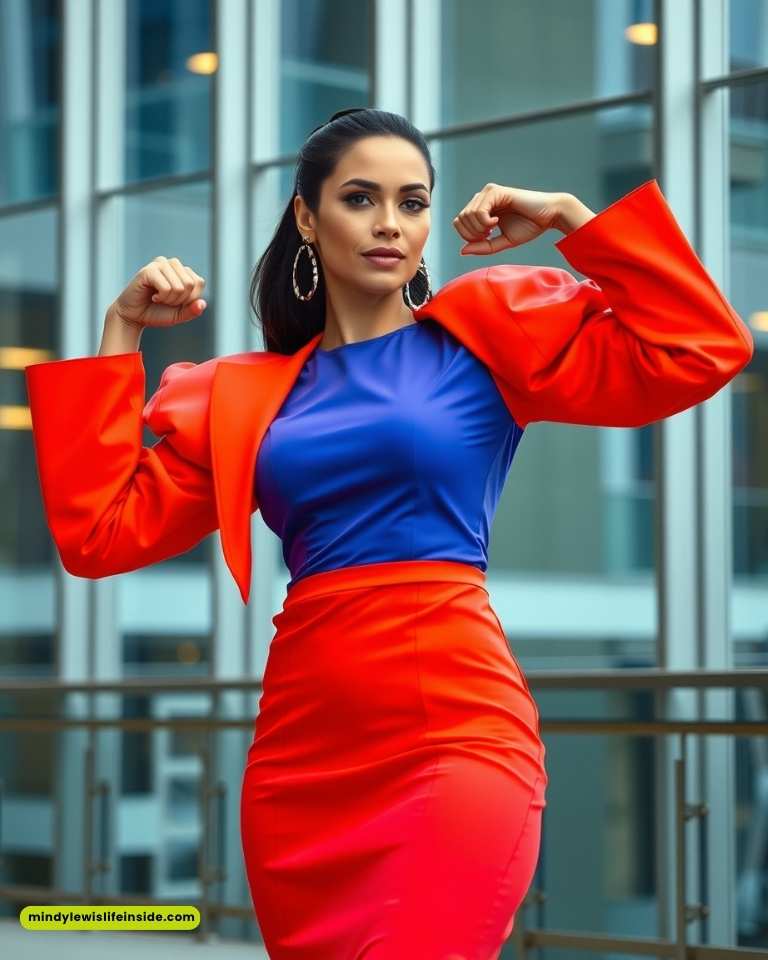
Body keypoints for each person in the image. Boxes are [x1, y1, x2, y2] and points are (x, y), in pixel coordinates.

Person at [25, 107, 753, 959]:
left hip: (457, 735)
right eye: (360, 198)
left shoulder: (481, 339)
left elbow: (702, 346)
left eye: (412, 203)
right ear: (307, 217)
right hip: (304, 756)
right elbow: (100, 535)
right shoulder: (245, 395)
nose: (389, 224)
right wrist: (122, 329)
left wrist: (569, 216)